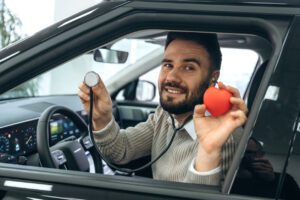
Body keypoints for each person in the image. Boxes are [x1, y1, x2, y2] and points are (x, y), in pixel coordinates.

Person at [78, 32, 248, 185]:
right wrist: (102, 117)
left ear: (213, 79)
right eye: (168, 65)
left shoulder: (224, 137)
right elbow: (121, 151)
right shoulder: (165, 114)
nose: (172, 77)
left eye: (189, 68)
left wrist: (208, 151)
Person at [232, 137, 300, 199]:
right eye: (240, 153)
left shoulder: (285, 181)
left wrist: (273, 181)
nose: (243, 157)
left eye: (249, 153)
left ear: (261, 154)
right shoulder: (227, 181)